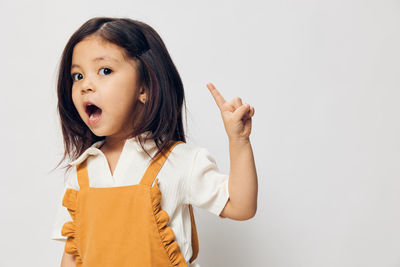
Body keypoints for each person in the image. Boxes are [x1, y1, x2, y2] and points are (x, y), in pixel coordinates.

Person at [50, 16, 257, 267]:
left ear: (144, 87)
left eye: (105, 71)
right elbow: (72, 255)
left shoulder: (178, 160)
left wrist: (238, 140)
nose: (85, 85)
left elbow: (241, 206)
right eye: (77, 76)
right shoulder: (82, 171)